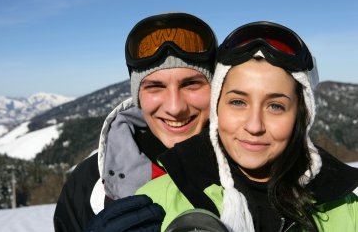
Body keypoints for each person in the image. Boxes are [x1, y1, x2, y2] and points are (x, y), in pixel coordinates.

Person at [137, 21, 358, 231]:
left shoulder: (346, 209)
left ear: (301, 115)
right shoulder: (154, 204)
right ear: (217, 107)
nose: (254, 126)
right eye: (238, 102)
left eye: (275, 106)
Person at [53, 12, 218, 232]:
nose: (175, 107)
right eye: (155, 87)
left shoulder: (253, 166)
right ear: (138, 95)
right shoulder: (89, 182)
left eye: (191, 84)